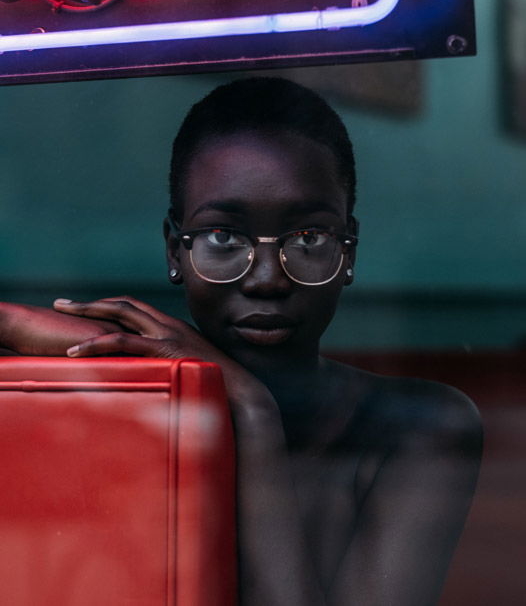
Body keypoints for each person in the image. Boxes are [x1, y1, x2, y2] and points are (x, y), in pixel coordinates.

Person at [0, 77, 482, 605]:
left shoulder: (423, 426)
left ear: (350, 252)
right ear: (173, 252)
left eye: (309, 237)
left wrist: (252, 415)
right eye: (223, 237)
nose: (267, 279)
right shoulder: (131, 413)